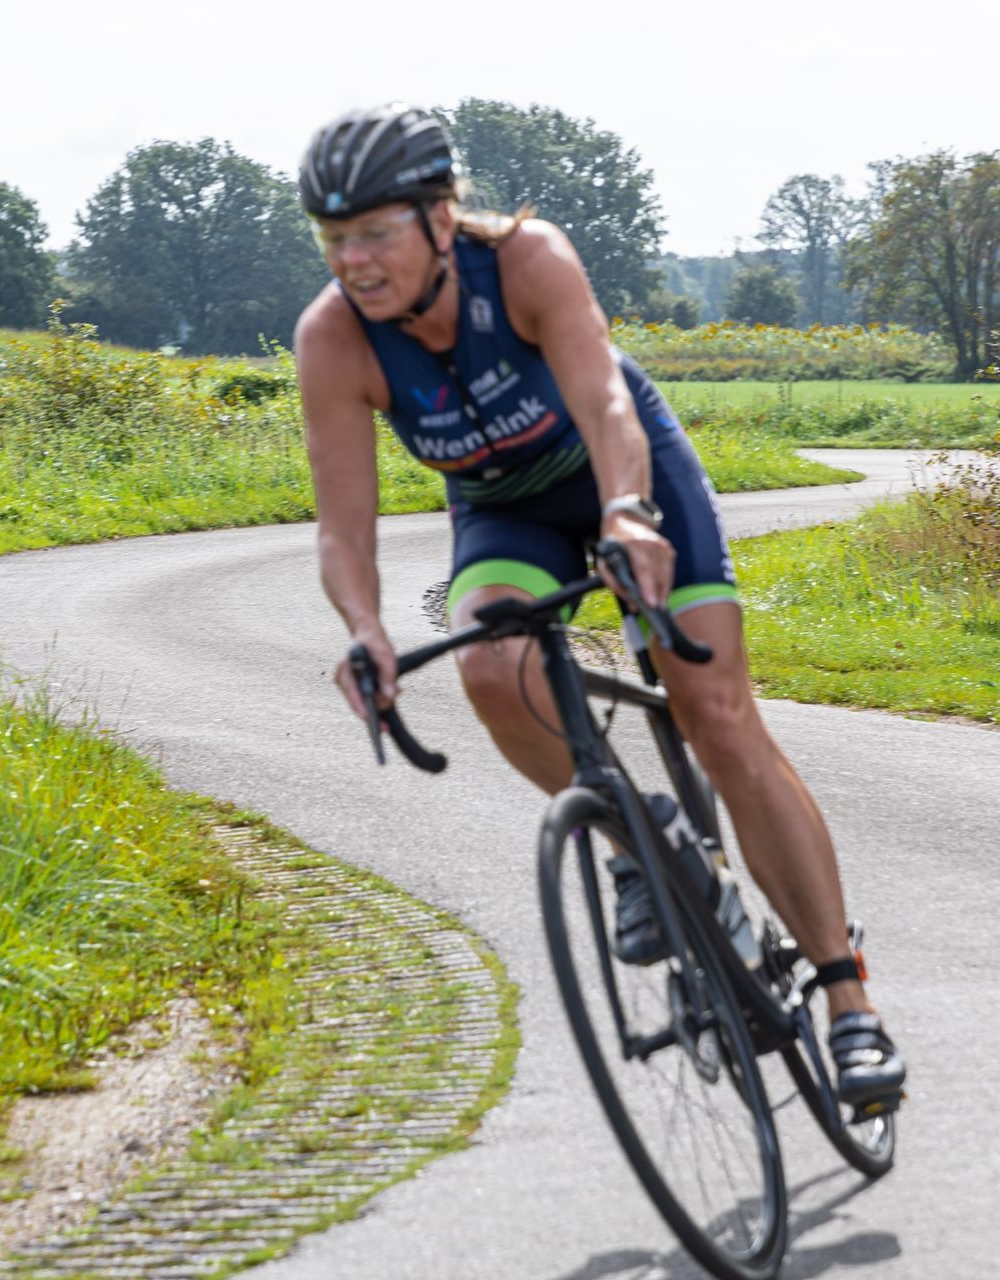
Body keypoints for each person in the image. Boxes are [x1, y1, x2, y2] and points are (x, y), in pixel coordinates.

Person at [292, 104, 905, 1108]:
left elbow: (605, 402)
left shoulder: (527, 261)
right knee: (490, 662)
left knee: (717, 713)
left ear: (442, 219)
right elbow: (341, 529)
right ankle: (645, 842)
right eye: (335, 238)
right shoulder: (334, 338)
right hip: (504, 509)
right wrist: (362, 626)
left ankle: (849, 1004)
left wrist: (628, 511)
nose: (354, 260)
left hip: (626, 469)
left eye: (375, 232)